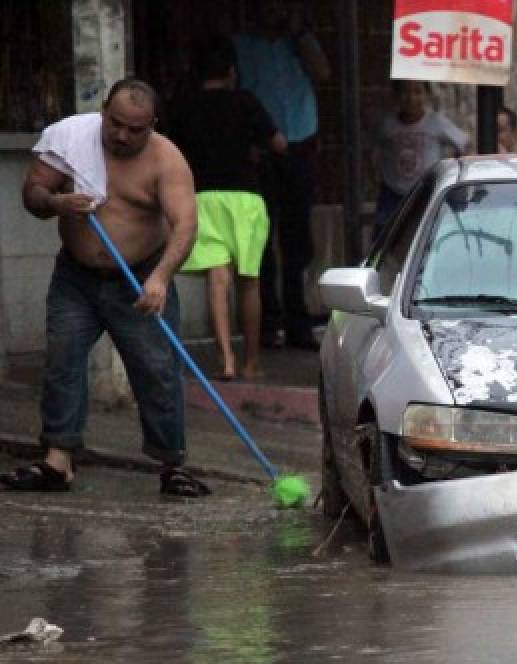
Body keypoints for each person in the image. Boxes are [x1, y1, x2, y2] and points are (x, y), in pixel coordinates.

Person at [1, 78, 210, 498]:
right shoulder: (72, 140)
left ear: (151, 124)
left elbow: (185, 225)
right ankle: (58, 460)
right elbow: (33, 193)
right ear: (103, 114)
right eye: (115, 124)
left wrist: (161, 278)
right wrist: (57, 203)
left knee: (156, 369)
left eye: (135, 129)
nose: (121, 135)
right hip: (76, 277)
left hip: (138, 276)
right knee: (63, 358)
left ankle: (172, 463)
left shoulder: (165, 160)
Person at [171, 37, 287, 381]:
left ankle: (226, 361)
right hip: (245, 198)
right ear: (232, 71)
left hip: (204, 197)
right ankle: (252, 362)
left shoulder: (183, 105)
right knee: (249, 281)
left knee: (217, 279)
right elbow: (279, 143)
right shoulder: (245, 101)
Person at [234, 0, 330, 350]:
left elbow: (323, 74)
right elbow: (237, 94)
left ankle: (298, 321)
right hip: (261, 149)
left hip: (300, 143)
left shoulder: (301, 42)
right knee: (261, 239)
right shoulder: (242, 45)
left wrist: (299, 32)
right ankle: (267, 322)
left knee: (297, 240)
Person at [370, 80, 469, 231]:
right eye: (405, 92)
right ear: (396, 95)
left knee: (424, 232)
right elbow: (374, 147)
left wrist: (454, 173)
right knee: (386, 233)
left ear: (426, 95)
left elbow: (463, 143)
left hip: (425, 191)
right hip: (393, 192)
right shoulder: (387, 124)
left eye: (417, 92)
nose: (411, 98)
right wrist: (375, 173)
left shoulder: (435, 122)